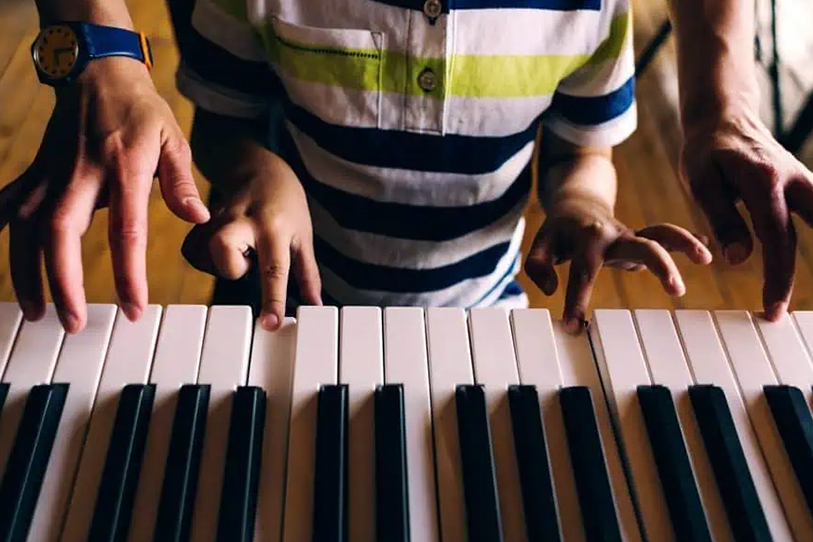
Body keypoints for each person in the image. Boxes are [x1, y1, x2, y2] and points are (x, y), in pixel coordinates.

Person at [0, 0, 807, 334]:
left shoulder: (586, 9)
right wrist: (259, 173)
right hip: (280, 304)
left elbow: (582, 151)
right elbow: (224, 124)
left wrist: (583, 208)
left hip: (480, 312)